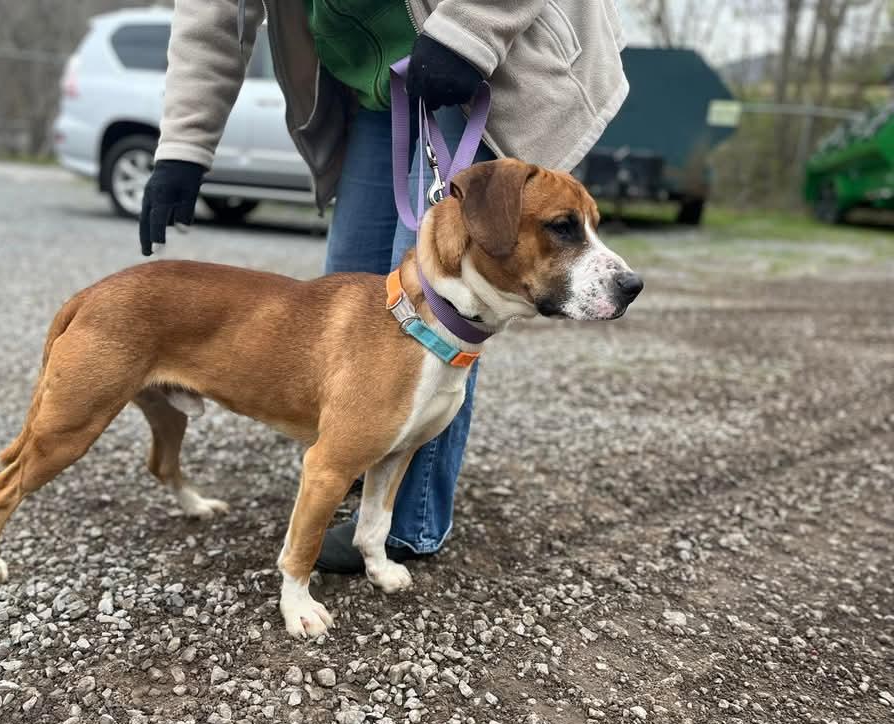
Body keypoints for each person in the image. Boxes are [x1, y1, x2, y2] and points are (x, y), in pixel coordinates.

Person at [139, 0, 628, 574]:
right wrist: (185, 145)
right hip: (373, 83)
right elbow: (214, 14)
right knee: (350, 289)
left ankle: (405, 524)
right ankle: (351, 460)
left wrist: (470, 30)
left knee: (441, 306)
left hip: (493, 52)